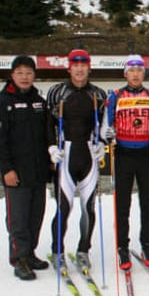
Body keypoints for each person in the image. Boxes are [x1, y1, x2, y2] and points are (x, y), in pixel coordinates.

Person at [0, 55, 51, 280]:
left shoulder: (39, 102)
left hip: (38, 172)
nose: (25, 77)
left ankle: (30, 253)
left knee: (35, 216)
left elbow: (47, 135)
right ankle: (19, 258)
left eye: (29, 73)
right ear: (12, 75)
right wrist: (6, 169)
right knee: (18, 219)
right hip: (17, 173)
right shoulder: (3, 103)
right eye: (20, 73)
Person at [100, 54, 149, 270]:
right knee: (123, 205)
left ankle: (147, 246)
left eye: (139, 71)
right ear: (125, 73)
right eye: (132, 70)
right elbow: (104, 127)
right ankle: (123, 249)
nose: (136, 74)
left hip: (146, 154)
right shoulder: (115, 96)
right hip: (124, 154)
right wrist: (107, 133)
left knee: (148, 204)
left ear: (143, 73)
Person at [46, 49, 107, 272]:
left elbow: (104, 124)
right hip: (66, 154)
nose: (80, 69)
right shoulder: (57, 92)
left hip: (89, 155)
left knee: (88, 208)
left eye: (84, 65)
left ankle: (83, 250)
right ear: (69, 67)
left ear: (89, 67)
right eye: (75, 64)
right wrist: (51, 146)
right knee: (63, 208)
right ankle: (57, 251)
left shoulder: (98, 94)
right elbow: (47, 123)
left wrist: (102, 142)